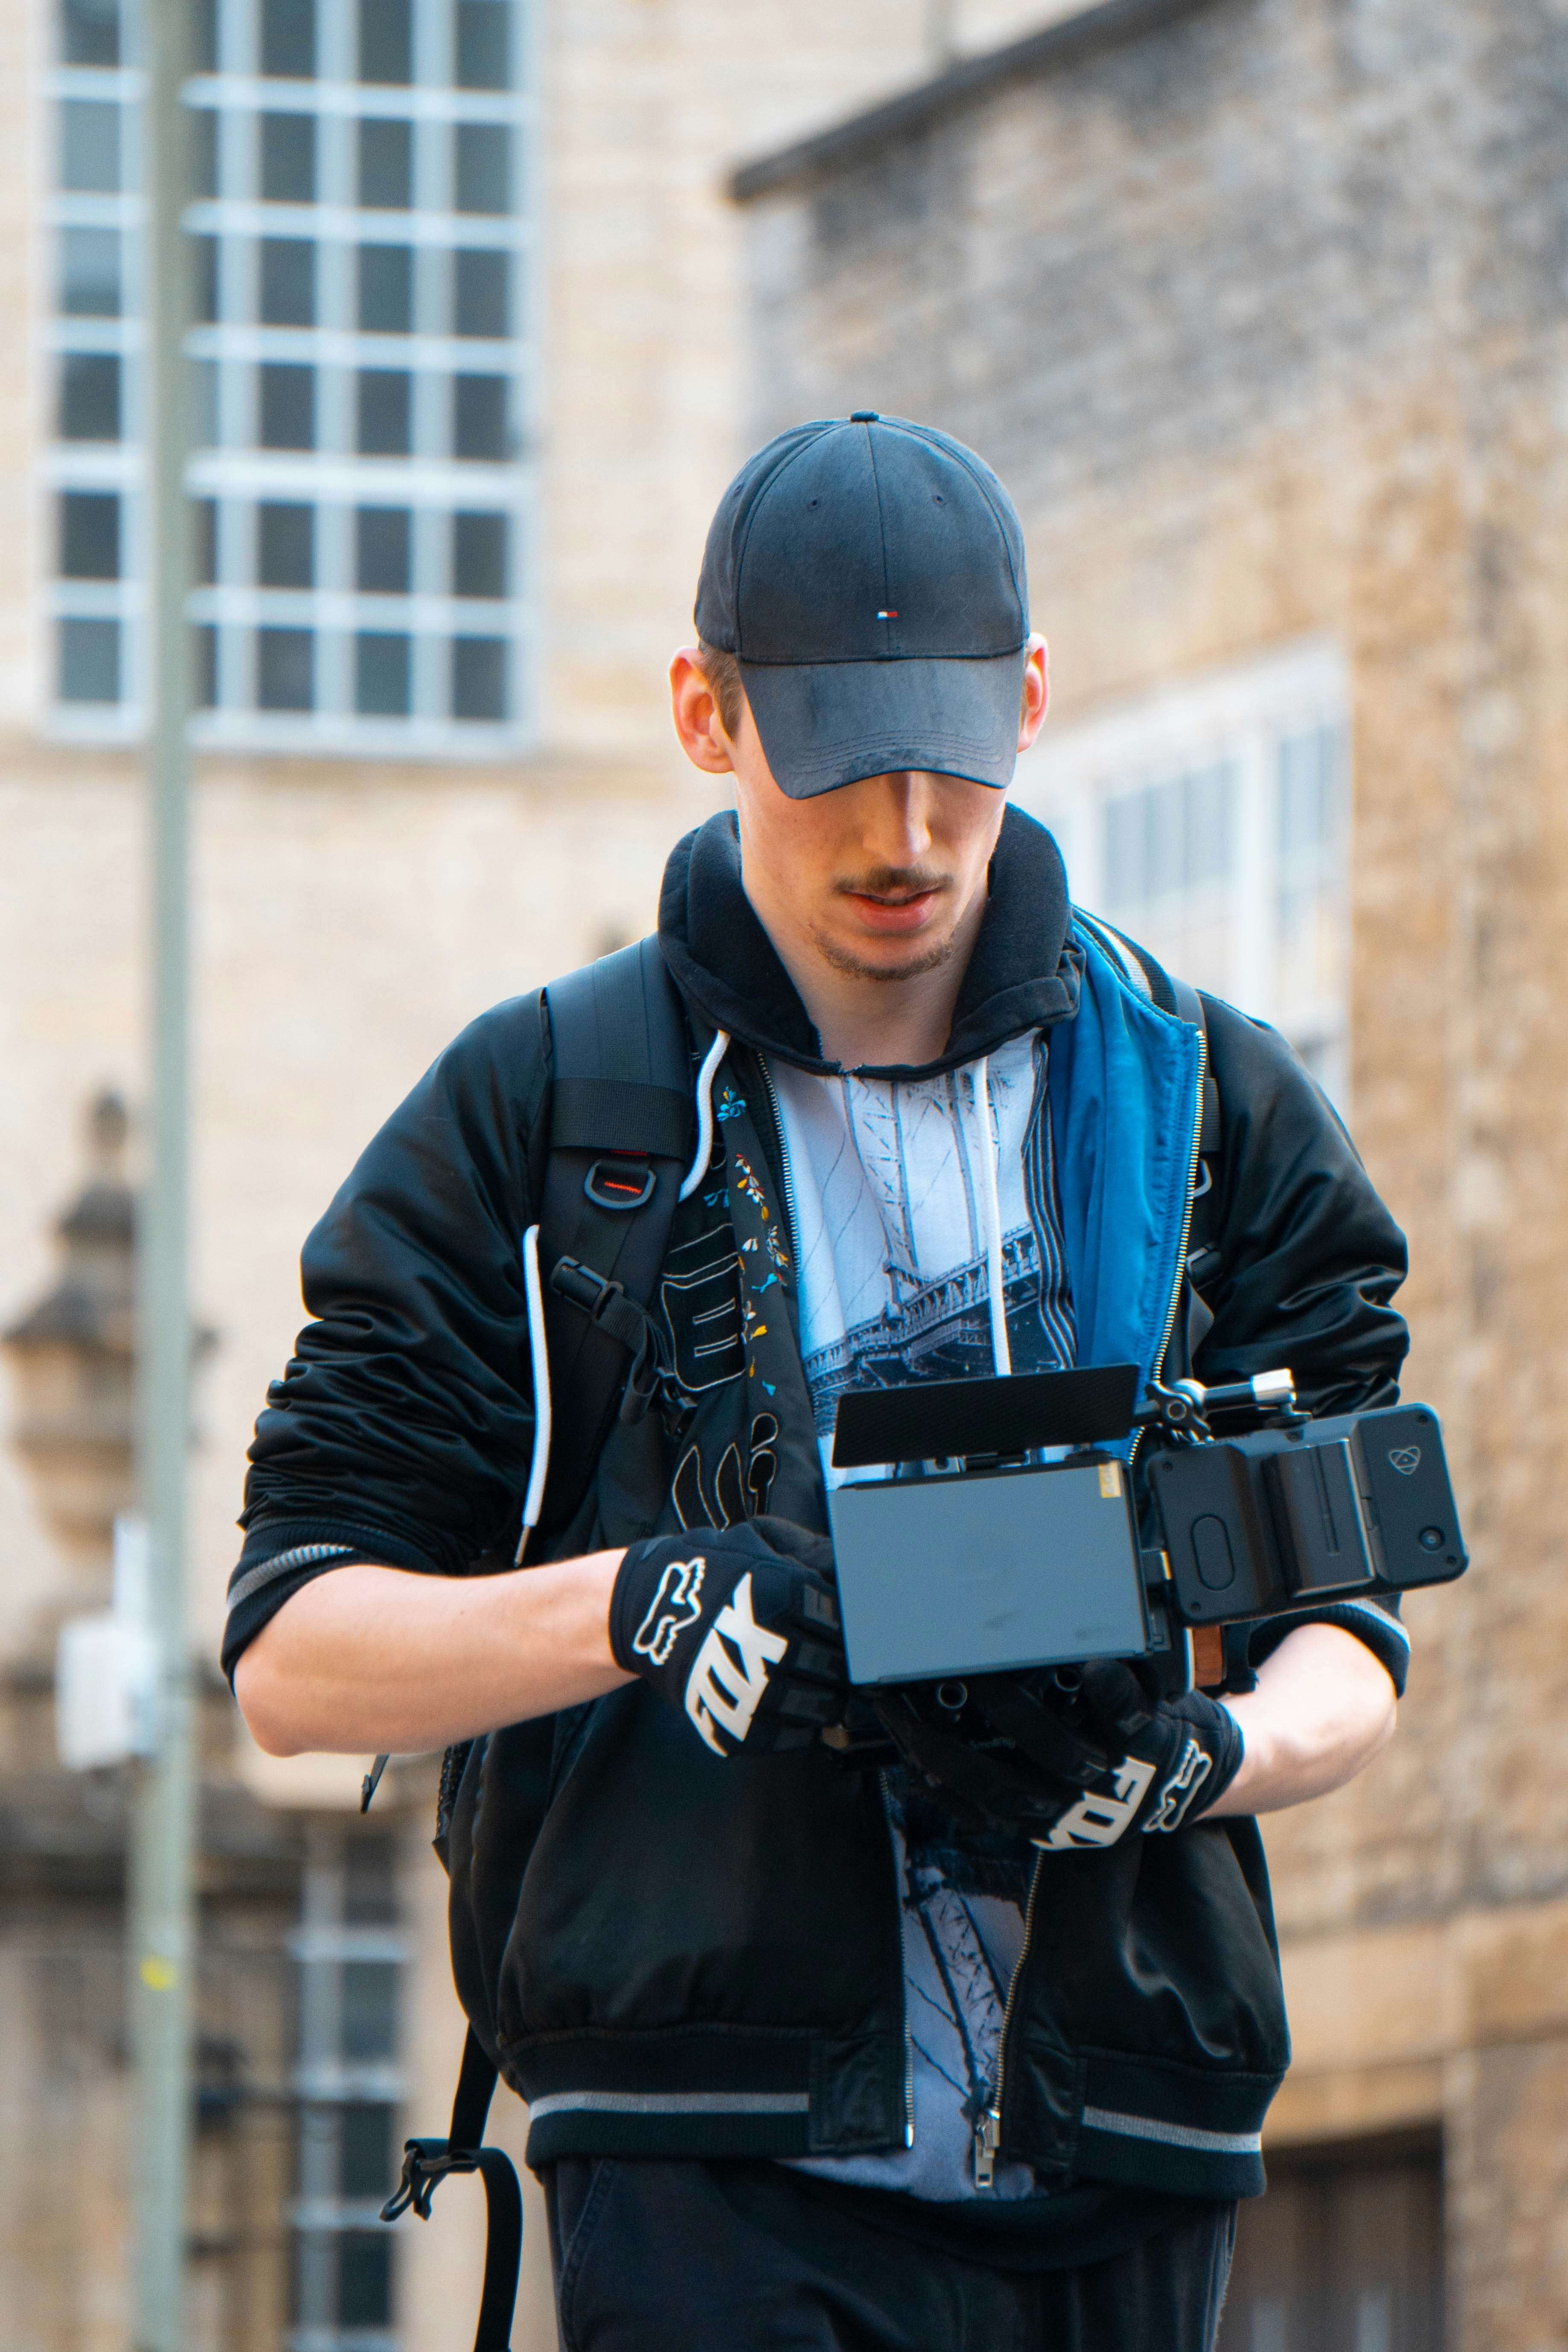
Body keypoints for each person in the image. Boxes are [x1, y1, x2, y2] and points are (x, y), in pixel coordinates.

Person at [229, 414, 1410, 2350]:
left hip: (1134, 2140)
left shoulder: (1215, 1104)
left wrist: (1206, 1762)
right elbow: (293, 1655)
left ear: (1033, 700)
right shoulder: (539, 1117)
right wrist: (653, 1599)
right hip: (709, 2153)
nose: (909, 832)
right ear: (706, 714)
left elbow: (1354, 1622)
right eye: (845, 759)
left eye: (955, 756)